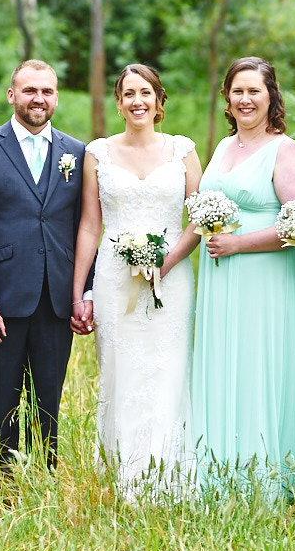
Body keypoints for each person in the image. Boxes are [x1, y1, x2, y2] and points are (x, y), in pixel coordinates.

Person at [171, 57, 295, 489]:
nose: (246, 99)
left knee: (256, 366)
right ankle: (220, 470)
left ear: (271, 96)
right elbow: (200, 218)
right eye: (237, 91)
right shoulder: (223, 148)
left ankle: (262, 475)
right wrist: (167, 259)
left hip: (264, 278)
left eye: (254, 90)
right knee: (222, 362)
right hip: (221, 280)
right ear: (227, 100)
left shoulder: (284, 149)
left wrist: (239, 243)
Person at [72, 64, 202, 497]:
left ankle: (172, 475)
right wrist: (80, 291)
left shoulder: (182, 150)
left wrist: (165, 261)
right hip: (113, 278)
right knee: (121, 369)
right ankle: (123, 474)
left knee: (168, 367)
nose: (137, 101)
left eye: (145, 92)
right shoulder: (98, 153)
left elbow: (199, 220)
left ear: (159, 99)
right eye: (128, 94)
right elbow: (91, 226)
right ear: (118, 102)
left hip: (173, 276)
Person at [0, 60, 89, 478]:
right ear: (12, 95)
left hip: (55, 299)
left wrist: (83, 293)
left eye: (47, 91)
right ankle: (0, 493)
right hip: (3, 301)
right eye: (30, 90)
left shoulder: (76, 152)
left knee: (48, 400)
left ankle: (42, 489)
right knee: (2, 400)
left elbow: (85, 228)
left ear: (56, 97)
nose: (39, 98)